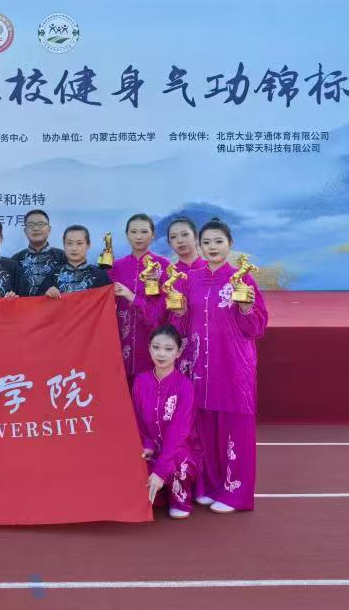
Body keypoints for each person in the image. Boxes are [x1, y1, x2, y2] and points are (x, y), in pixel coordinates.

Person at [169, 218, 268, 514]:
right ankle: (210, 486)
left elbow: (257, 328)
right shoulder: (191, 280)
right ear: (200, 246)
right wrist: (180, 312)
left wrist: (247, 308)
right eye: (207, 242)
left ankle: (236, 493)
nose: (212, 247)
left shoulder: (242, 280)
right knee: (204, 428)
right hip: (199, 365)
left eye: (218, 241)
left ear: (230, 244)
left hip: (233, 366)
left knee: (235, 428)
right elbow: (181, 326)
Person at [132, 326, 202, 520]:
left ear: (178, 352)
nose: (161, 354)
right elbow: (138, 420)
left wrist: (161, 470)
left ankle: (180, 497)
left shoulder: (185, 386)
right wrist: (147, 445)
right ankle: (160, 493)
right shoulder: (140, 381)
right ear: (149, 348)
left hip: (179, 450)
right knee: (131, 461)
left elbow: (179, 432)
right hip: (152, 448)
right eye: (156, 347)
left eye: (169, 349)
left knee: (179, 461)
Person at [109, 214, 170, 381]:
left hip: (152, 345)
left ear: (153, 235)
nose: (138, 236)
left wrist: (131, 296)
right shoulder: (116, 267)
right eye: (133, 232)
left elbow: (162, 313)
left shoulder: (164, 266)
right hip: (119, 344)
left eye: (144, 232)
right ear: (127, 234)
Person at [166, 216, 205, 377]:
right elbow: (161, 316)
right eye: (173, 237)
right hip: (179, 345)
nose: (180, 240)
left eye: (185, 234)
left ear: (196, 237)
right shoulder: (168, 276)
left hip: (209, 343)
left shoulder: (211, 271)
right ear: (169, 243)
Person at [39, 225, 112, 296]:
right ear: (64, 245)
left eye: (79, 243)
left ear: (88, 245)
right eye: (69, 243)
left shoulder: (100, 274)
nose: (74, 248)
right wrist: (46, 294)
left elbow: (109, 299)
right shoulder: (53, 274)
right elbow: (37, 300)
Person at [12, 209, 66, 297]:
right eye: (30, 225)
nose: (36, 228)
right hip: (25, 305)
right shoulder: (15, 260)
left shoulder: (62, 256)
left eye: (41, 224)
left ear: (49, 229)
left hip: (55, 305)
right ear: (25, 231)